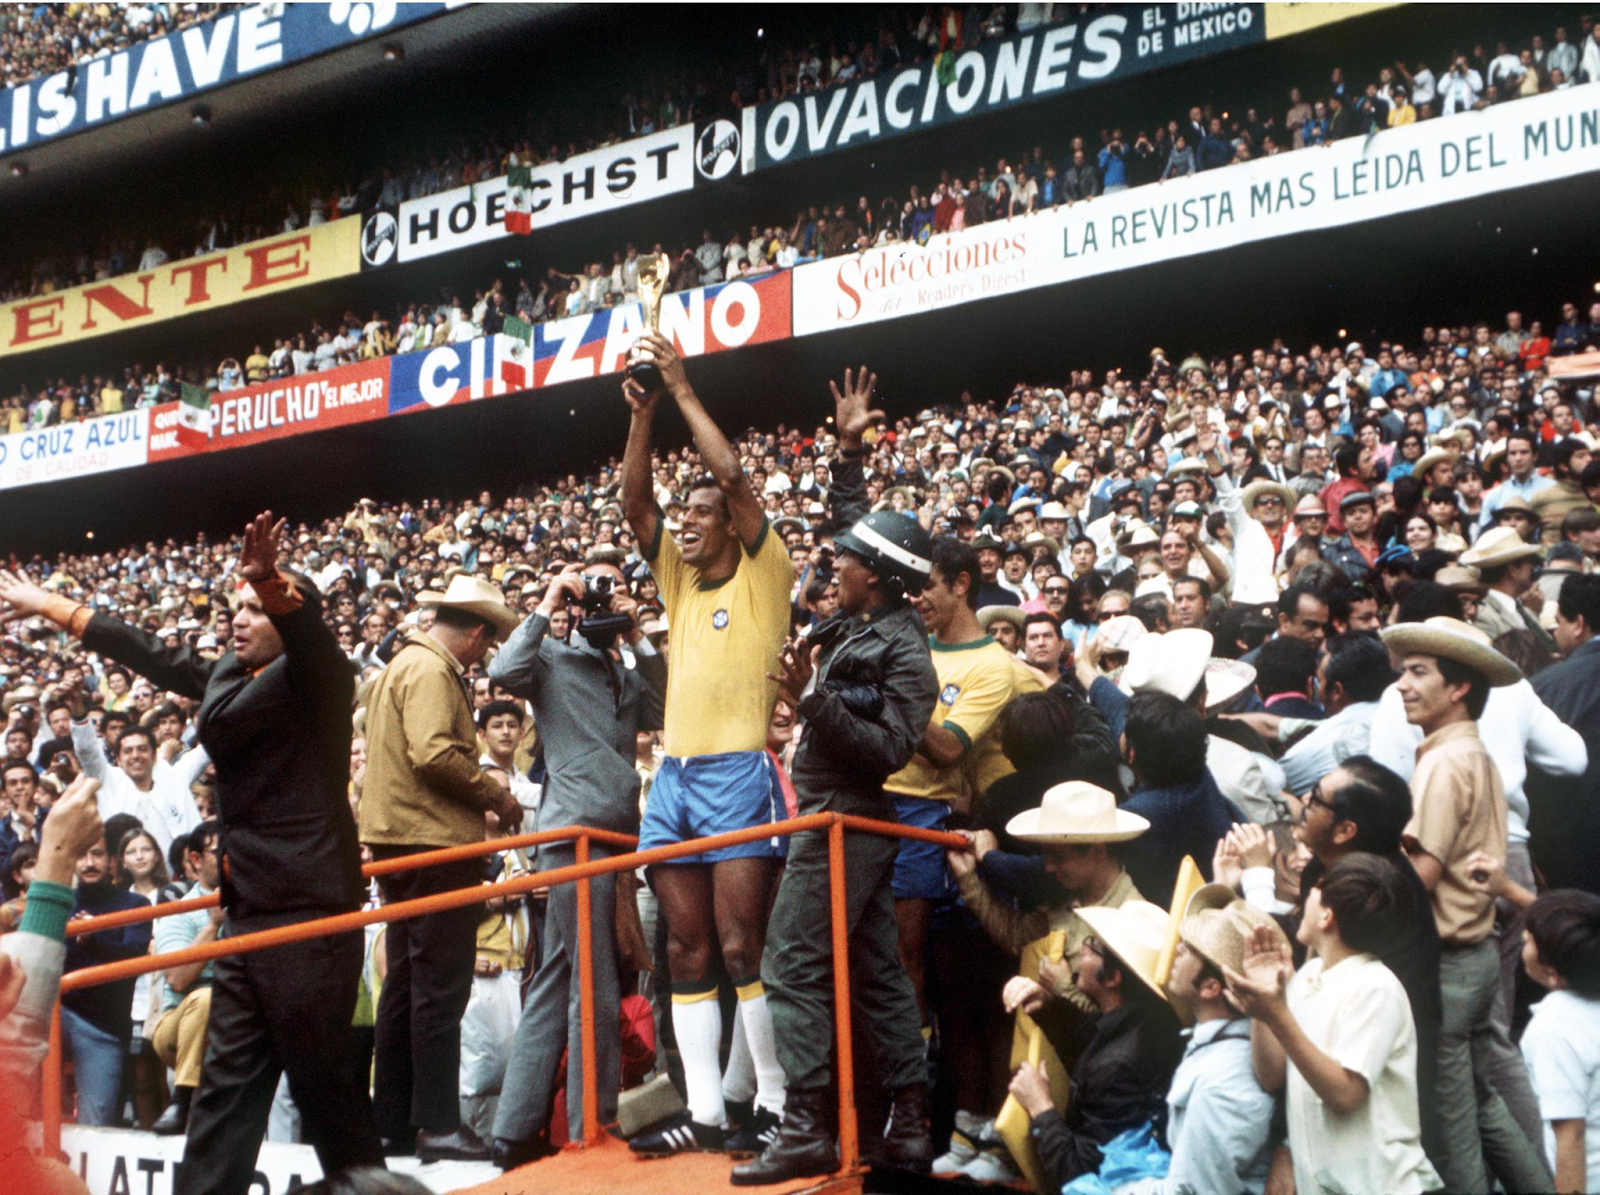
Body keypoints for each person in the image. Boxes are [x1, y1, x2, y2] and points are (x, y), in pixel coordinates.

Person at [3, 514, 386, 1195]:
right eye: (233, 604)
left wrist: (270, 579)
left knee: (331, 1105)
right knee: (223, 1104)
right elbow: (145, 648)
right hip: (247, 919)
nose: (237, 616)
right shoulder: (227, 676)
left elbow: (311, 637)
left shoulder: (320, 677)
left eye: (254, 606)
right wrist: (51, 607)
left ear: (287, 612)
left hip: (307, 920)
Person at [733, 367, 938, 1184]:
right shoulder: (865, 614)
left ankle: (807, 1124)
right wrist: (849, 451)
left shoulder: (903, 648)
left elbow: (890, 747)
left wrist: (811, 700)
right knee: (878, 972)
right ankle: (911, 1123)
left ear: (879, 578)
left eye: (849, 561)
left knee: (788, 960)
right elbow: (856, 526)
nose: (834, 563)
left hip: (844, 818)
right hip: (833, 814)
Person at [621, 332, 794, 1154]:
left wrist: (684, 389)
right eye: (682, 513)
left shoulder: (765, 567)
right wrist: (643, 414)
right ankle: (708, 1112)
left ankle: (776, 1098)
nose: (684, 523)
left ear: (732, 523)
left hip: (738, 771)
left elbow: (731, 475)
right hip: (676, 778)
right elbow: (634, 506)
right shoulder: (679, 578)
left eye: (699, 513)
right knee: (685, 949)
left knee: (740, 944)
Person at [486, 557, 666, 1168]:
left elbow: (667, 705)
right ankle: (597, 1121)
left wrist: (637, 632)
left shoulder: (623, 666)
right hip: (576, 836)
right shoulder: (553, 658)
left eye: (608, 586)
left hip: (612, 834)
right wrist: (548, 602)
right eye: (590, 586)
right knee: (594, 979)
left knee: (561, 974)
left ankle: (512, 1129)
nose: (597, 597)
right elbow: (501, 669)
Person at [1380, 616, 1551, 1193]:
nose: (1403, 685)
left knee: (1451, 1130)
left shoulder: (1444, 762)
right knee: (1483, 1104)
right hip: (1477, 955)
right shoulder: (1471, 752)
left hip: (1450, 967)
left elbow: (1420, 875)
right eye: (1404, 672)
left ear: (1457, 689)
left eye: (1418, 673)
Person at [361, 573, 523, 1161]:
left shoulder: (400, 666)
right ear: (476, 632)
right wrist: (496, 796)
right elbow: (433, 752)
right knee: (438, 988)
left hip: (397, 841)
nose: (485, 653)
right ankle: (436, 1122)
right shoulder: (432, 670)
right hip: (433, 845)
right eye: (487, 641)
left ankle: (396, 1122)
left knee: (404, 983)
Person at [1224, 853, 1442, 1195]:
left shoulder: (1375, 988)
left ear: (1327, 916)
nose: (1305, 895)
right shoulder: (1310, 975)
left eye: (1316, 891)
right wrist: (1265, 1008)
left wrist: (1278, 1015)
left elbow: (1345, 1094)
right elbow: (1271, 1076)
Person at [884, 537, 1019, 1021]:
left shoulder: (993, 666)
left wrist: (890, 694)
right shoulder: (913, 646)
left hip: (925, 811)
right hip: (874, 802)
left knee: (910, 954)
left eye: (926, 587)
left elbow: (946, 750)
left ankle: (913, 1082)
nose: (915, 599)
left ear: (962, 585)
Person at [1007, 900, 1183, 1188]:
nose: (1082, 949)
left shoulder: (1118, 1068)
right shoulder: (1143, 1018)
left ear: (1113, 978)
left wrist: (1041, 1108)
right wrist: (1048, 1007)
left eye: (1093, 947)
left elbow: (1079, 1173)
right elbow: (1087, 1037)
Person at [61, 825, 153, 1125]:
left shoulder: (135, 903)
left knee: (97, 1122)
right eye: (83, 855)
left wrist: (94, 937)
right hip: (55, 1015)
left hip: (103, 1027)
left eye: (97, 854)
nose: (89, 862)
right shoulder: (61, 903)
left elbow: (136, 958)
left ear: (112, 861)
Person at [1518, 889, 1600, 1194]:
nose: (1524, 937)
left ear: (1552, 974)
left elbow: (1570, 1136)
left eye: (1530, 940)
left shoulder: (1553, 1030)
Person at [149, 820, 223, 1135]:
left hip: (237, 1020)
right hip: (178, 1026)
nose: (231, 857)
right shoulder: (178, 911)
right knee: (206, 997)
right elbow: (178, 979)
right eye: (221, 851)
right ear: (195, 859)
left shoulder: (259, 904)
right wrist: (212, 926)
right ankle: (181, 1099)